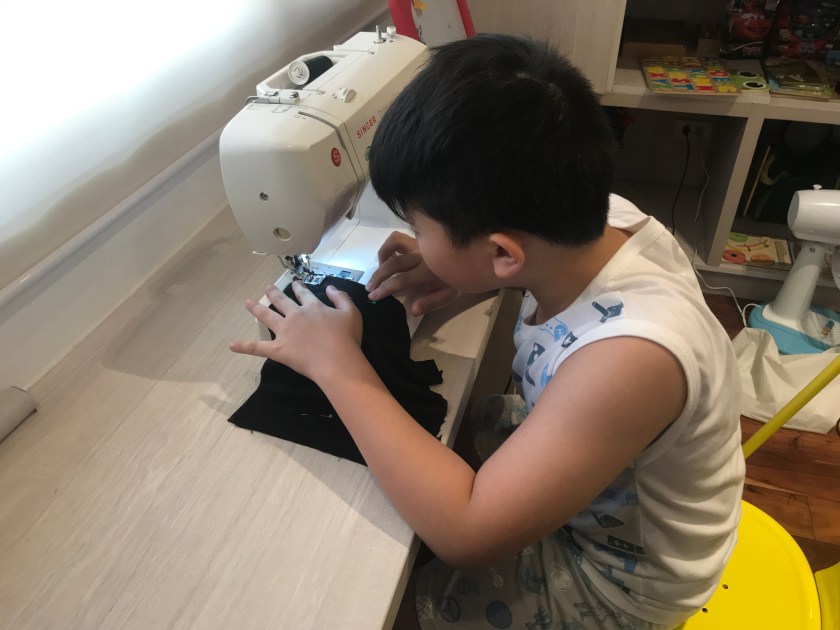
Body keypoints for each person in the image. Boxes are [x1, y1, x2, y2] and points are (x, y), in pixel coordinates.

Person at [230, 34, 745, 629]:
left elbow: (467, 533)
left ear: (504, 252)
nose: (413, 239)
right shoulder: (607, 219)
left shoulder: (630, 361)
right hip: (602, 493)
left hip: (617, 582)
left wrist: (337, 366)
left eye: (419, 227)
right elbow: (532, 266)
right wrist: (461, 270)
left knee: (378, 604)